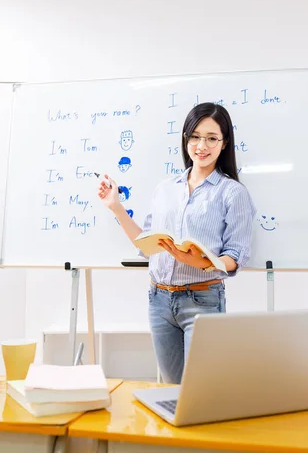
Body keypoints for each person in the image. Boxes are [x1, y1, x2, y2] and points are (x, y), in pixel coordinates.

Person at [98, 102, 256, 384]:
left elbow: (236, 255)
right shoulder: (165, 189)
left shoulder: (232, 193)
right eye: (194, 137)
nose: (201, 146)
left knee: (199, 390)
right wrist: (116, 207)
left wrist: (199, 261)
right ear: (185, 139)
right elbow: (144, 245)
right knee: (172, 389)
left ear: (224, 143)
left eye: (211, 138)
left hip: (202, 301)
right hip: (158, 301)